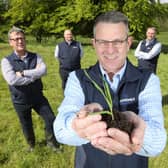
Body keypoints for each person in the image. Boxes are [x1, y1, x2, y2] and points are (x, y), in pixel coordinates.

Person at [53, 11, 167, 168]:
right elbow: (60, 130)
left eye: (118, 42)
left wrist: (139, 132)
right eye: (103, 42)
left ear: (128, 43)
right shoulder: (79, 78)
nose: (110, 49)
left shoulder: (147, 80)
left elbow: (158, 142)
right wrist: (77, 126)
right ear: (94, 44)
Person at [1, 26, 60, 152]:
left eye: (22, 38)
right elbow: (12, 80)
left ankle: (51, 143)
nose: (20, 41)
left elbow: (43, 71)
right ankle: (31, 145)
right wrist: (33, 76)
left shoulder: (36, 56)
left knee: (51, 119)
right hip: (20, 100)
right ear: (10, 42)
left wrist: (23, 73)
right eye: (16, 39)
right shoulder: (6, 61)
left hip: (38, 97)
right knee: (26, 124)